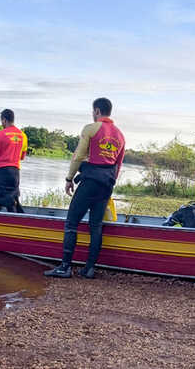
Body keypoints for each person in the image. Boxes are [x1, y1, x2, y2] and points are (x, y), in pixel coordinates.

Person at [44, 97, 125, 279]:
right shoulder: (120, 135)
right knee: (95, 226)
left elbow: (79, 155)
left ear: (96, 111)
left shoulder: (90, 128)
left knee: (71, 222)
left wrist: (69, 178)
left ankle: (65, 267)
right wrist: (109, 183)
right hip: (107, 184)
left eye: (93, 111)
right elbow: (118, 166)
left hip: (89, 182)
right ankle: (89, 269)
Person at [0, 109, 28, 212]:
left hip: (1, 171)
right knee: (13, 198)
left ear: (4, 120)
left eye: (2, 121)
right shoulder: (23, 135)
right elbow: (22, 157)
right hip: (15, 172)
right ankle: (18, 219)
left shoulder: (0, 134)